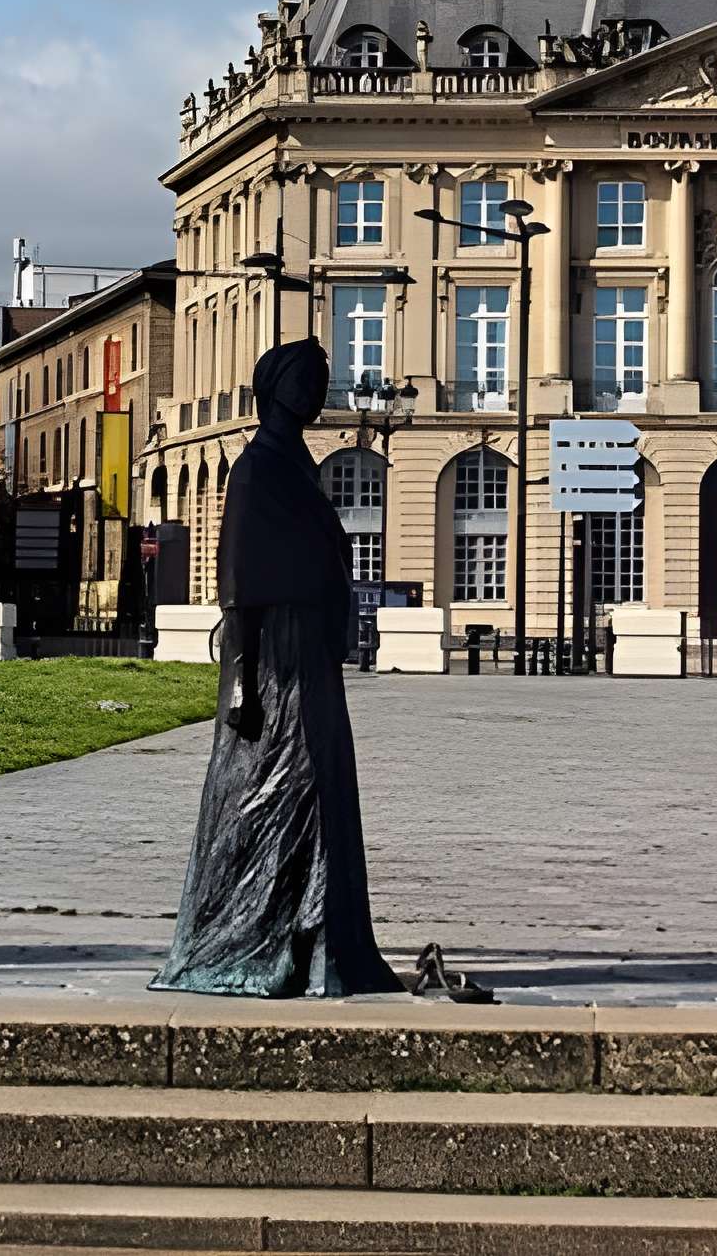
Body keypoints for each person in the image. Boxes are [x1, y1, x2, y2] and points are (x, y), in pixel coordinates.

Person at [150, 336, 401, 997]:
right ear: (276, 389)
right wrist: (244, 683)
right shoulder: (258, 467)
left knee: (320, 789)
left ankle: (316, 936)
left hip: (308, 649)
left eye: (322, 379)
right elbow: (239, 584)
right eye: (306, 380)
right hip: (275, 657)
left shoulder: (296, 465)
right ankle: (261, 935)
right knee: (284, 787)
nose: (317, 391)